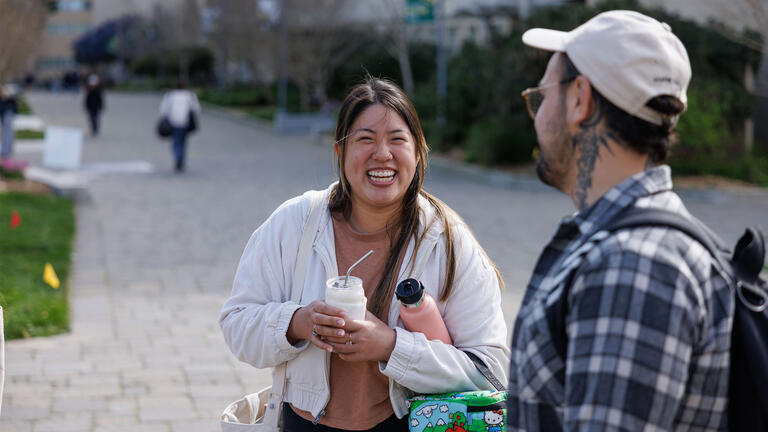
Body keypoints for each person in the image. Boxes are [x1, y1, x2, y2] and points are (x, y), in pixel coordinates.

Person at [220, 78, 510, 431]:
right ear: (340, 153)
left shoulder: (448, 242)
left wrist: (391, 346)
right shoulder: (293, 224)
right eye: (365, 139)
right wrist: (296, 322)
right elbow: (237, 323)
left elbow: (490, 373)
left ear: (418, 153)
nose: (382, 154)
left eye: (397, 140)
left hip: (410, 424)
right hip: (305, 423)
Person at [506, 10, 733, 430]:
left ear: (579, 99)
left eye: (540, 97)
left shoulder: (632, 265)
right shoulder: (630, 246)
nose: (536, 117)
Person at [159, 81, 201, 172]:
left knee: (175, 142)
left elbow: (163, 110)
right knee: (183, 142)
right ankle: (181, 159)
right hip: (185, 123)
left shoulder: (170, 95)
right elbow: (196, 109)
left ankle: (177, 157)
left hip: (173, 122)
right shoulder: (190, 95)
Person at [0, 85, 17, 161]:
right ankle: (7, 150)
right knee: (7, 133)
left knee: (6, 133)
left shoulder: (7, 94)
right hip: (6, 114)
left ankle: (6, 151)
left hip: (7, 114)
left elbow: (11, 101)